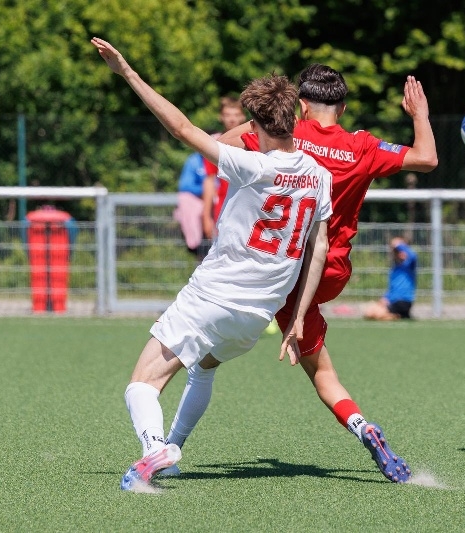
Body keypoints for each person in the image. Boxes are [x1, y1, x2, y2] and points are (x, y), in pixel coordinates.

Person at [165, 63, 437, 483]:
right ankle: (363, 426)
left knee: (206, 360)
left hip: (284, 269)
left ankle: (166, 445)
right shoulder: (362, 145)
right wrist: (419, 114)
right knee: (321, 370)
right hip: (331, 270)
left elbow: (220, 143)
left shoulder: (291, 136)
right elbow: (427, 158)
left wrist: (262, 117)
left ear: (302, 106)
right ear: (342, 108)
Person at [91, 37, 333, 491]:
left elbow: (182, 129)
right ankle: (173, 453)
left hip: (213, 296)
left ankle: (154, 449)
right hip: (259, 314)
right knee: (203, 367)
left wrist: (128, 73)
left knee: (141, 384)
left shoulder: (252, 166)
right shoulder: (320, 176)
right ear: (298, 118)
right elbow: (318, 249)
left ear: (254, 125)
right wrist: (298, 317)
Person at [201, 96, 247, 240]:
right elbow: (209, 180)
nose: (232, 119)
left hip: (248, 206)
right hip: (223, 207)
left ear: (243, 116)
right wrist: (206, 216)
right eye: (227, 115)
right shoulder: (215, 143)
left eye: (236, 115)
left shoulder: (252, 140)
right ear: (220, 117)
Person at [363, 236, 417, 320]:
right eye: (397, 252)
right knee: (369, 312)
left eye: (401, 251)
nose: (400, 253)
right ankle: (398, 315)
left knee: (375, 313)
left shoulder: (409, 265)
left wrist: (399, 245)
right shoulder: (395, 269)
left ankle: (395, 315)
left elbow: (413, 256)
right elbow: (392, 288)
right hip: (393, 301)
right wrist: (385, 298)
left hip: (403, 301)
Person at [173, 151, 209, 261]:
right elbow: (185, 186)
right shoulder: (194, 160)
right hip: (200, 205)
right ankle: (194, 241)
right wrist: (208, 191)